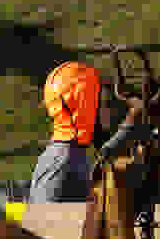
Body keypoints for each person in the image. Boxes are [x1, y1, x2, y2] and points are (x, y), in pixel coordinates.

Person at [30, 60, 110, 203]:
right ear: (83, 105)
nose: (105, 112)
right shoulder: (62, 162)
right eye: (98, 102)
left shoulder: (73, 155)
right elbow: (43, 222)